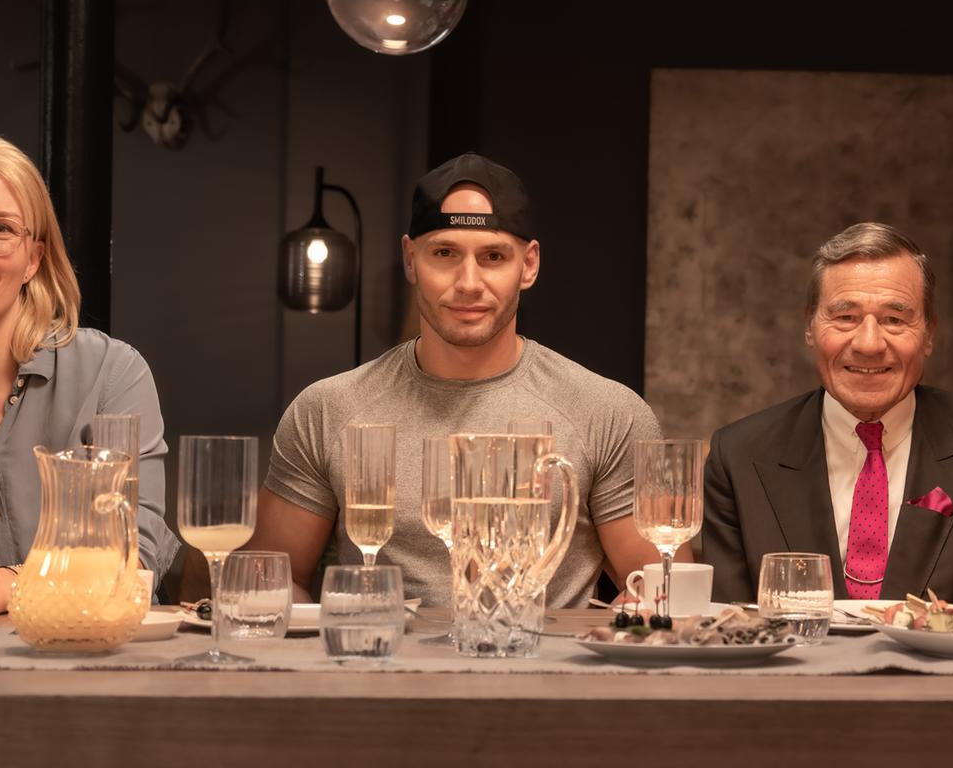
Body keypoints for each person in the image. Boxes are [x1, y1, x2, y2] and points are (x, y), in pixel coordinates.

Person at [234, 153, 676, 608]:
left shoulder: (606, 412)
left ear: (528, 265)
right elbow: (272, 578)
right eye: (445, 253)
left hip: (542, 669)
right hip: (379, 668)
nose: (468, 282)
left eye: (493, 256)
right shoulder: (327, 408)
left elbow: (665, 582)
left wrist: (643, 611)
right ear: (411, 259)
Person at [703, 222, 953, 606]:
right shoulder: (739, 455)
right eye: (845, 317)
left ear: (929, 334)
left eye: (895, 319)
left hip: (944, 682)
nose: (868, 343)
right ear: (810, 327)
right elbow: (727, 619)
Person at [0, 133, 175, 620]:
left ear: (33, 260)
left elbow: (134, 564)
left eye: (0, 228)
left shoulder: (110, 373)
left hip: (82, 671)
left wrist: (10, 585)